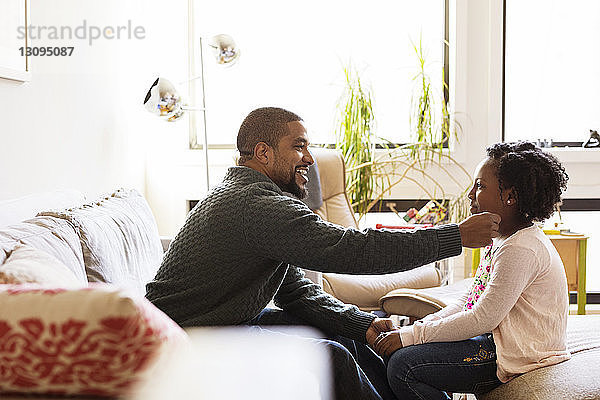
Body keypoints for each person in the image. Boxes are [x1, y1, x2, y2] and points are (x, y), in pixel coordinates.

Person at [146, 107, 500, 400]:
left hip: (221, 323)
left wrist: (365, 324)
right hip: (187, 336)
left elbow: (295, 293)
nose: (310, 158)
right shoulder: (257, 205)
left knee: (346, 335)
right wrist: (454, 236)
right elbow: (353, 250)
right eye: (298, 146)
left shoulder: (251, 198)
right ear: (264, 152)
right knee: (334, 358)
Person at [374, 141, 571, 399]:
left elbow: (482, 318)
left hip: (519, 353)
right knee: (400, 356)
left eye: (480, 186)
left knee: (404, 367)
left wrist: (412, 336)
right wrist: (417, 328)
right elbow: (470, 301)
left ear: (510, 196)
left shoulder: (521, 248)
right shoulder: (502, 240)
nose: (470, 194)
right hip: (498, 341)